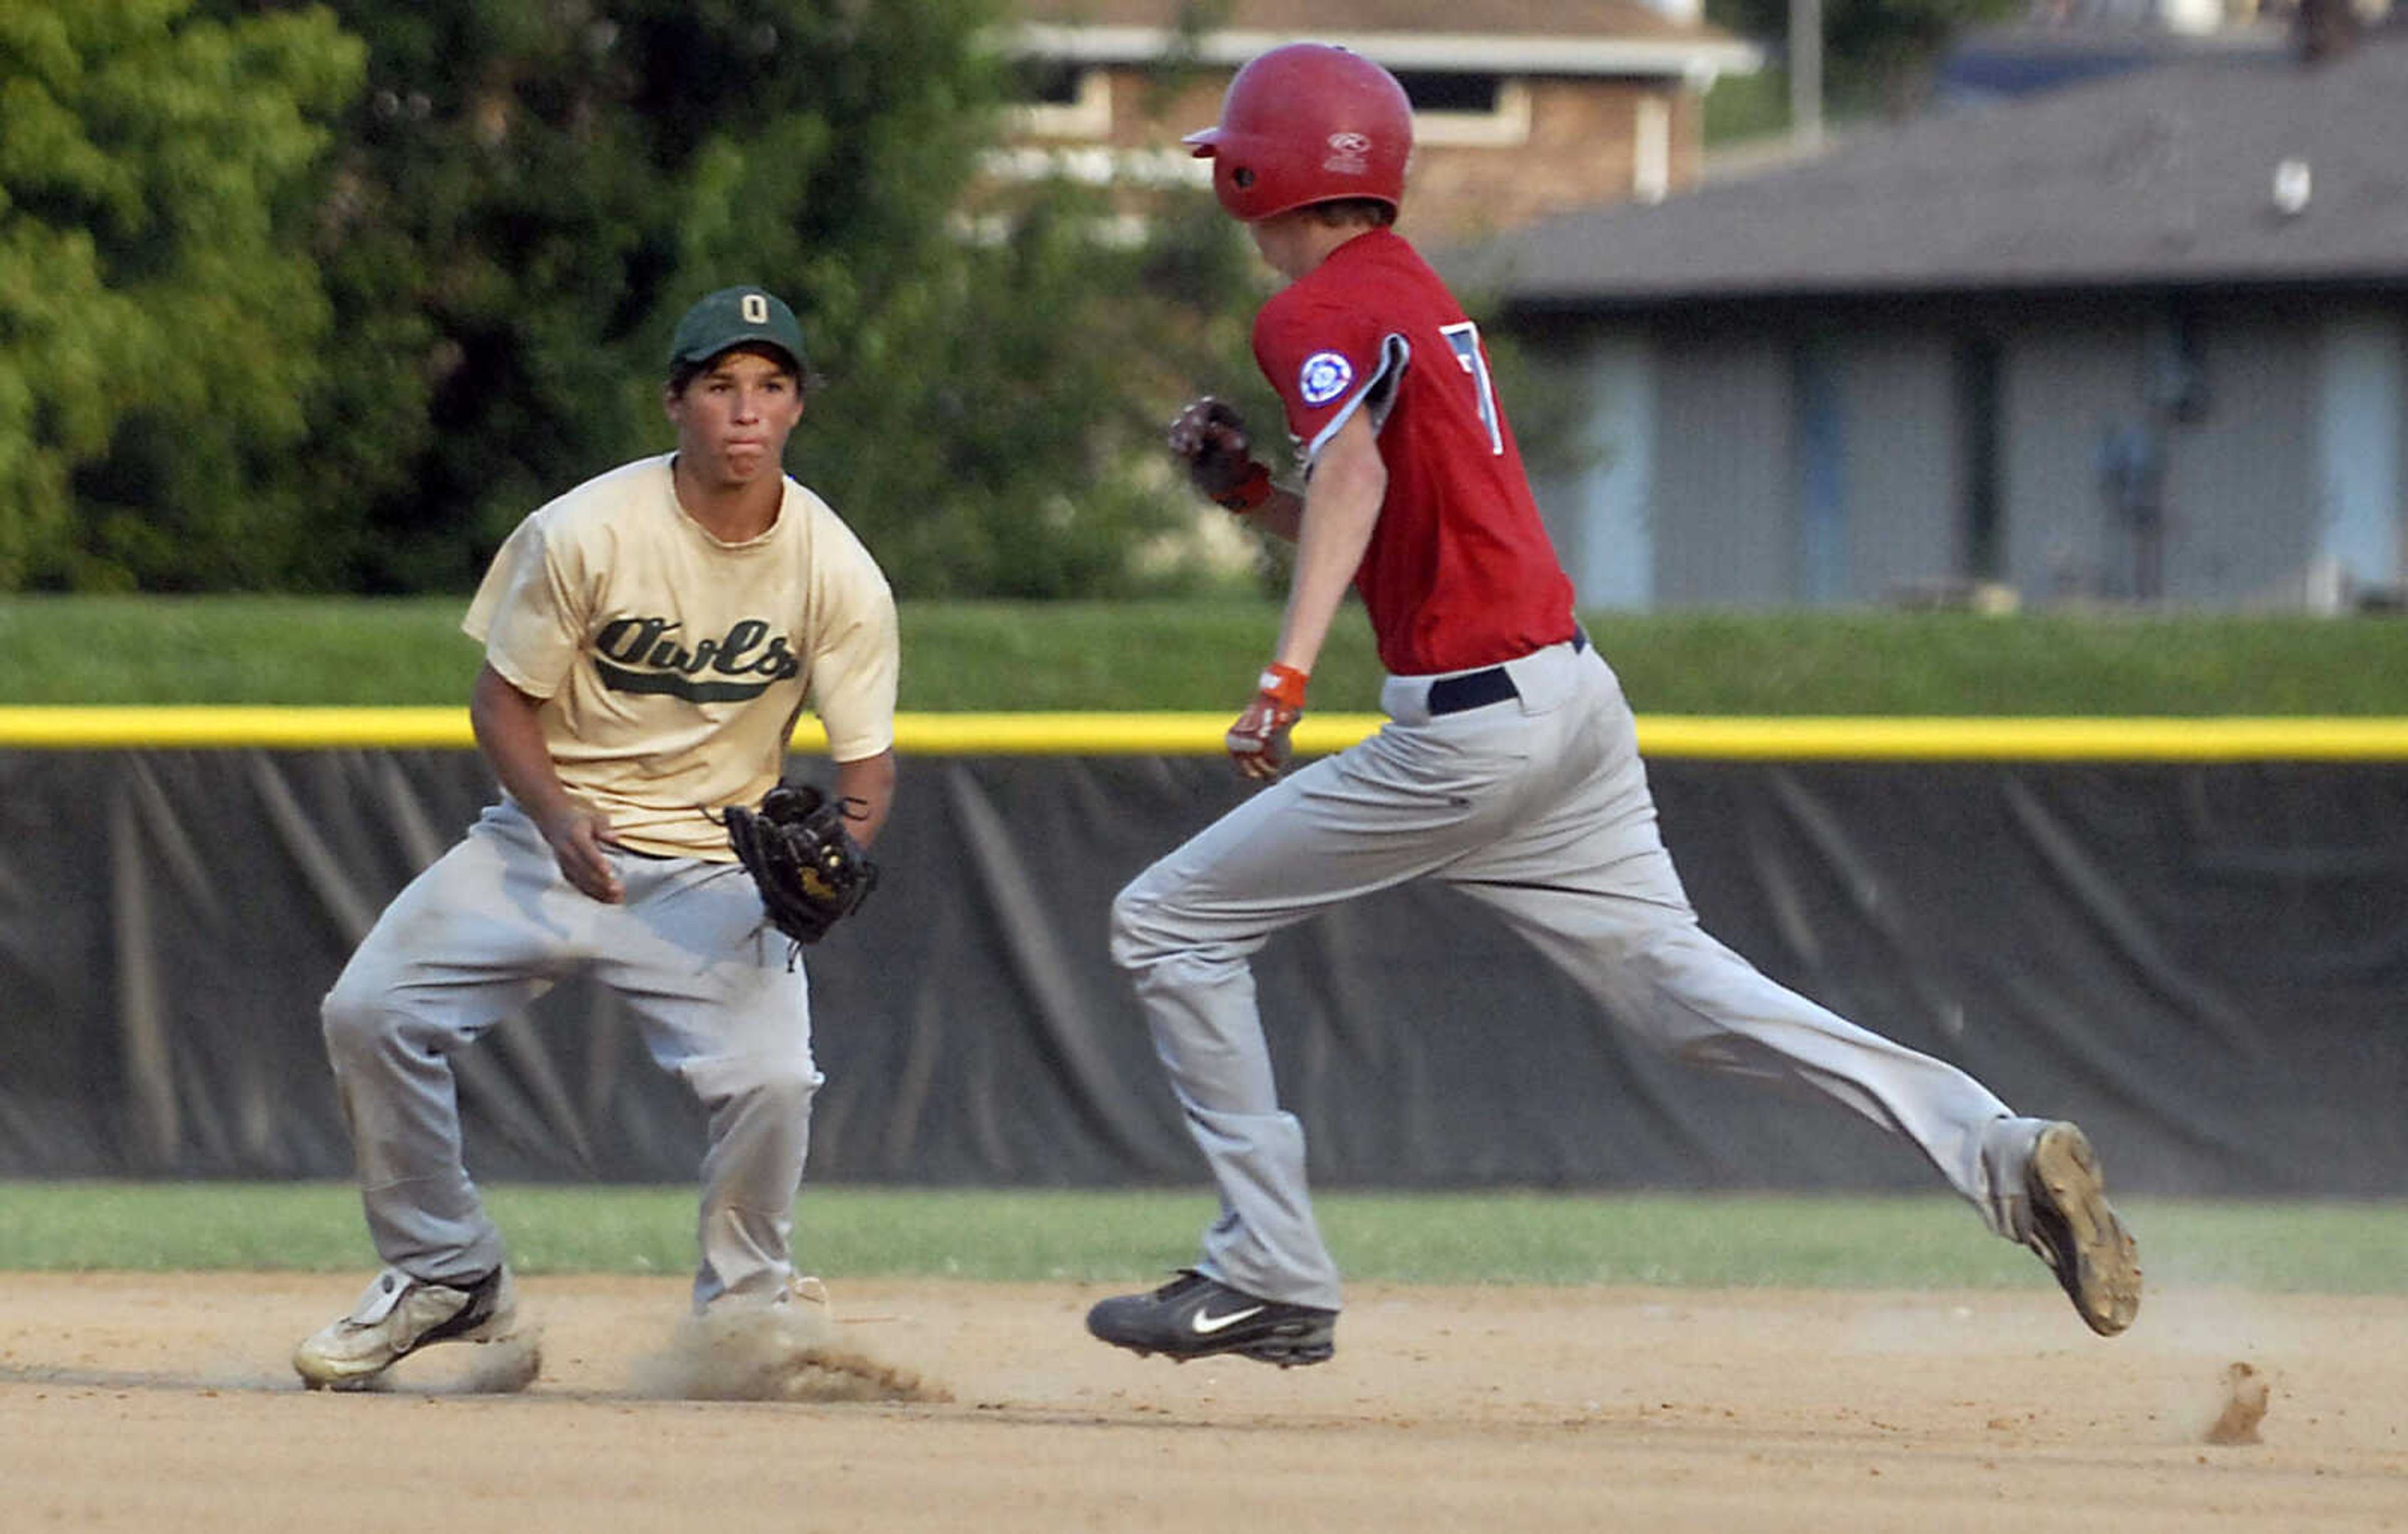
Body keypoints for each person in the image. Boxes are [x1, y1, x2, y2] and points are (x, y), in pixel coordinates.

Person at [1086, 45, 2141, 1369]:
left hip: (1469, 731)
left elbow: (1351, 472)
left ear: (1260, 172)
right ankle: (1994, 1147)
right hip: (1565, 700)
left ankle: (1273, 1271)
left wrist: (1280, 676)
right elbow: (1377, 521)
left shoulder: (1306, 314)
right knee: (1686, 994)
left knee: (1167, 921)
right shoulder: (1413, 295)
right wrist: (1248, 495)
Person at [292, 285, 900, 1390]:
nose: (746, 410)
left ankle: (747, 1312)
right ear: (676, 401)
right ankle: (446, 1272)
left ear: (800, 408)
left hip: (715, 867)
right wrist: (555, 814)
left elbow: (866, 760)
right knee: (371, 1011)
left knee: (771, 1079)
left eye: (771, 386)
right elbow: (499, 700)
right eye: (721, 385)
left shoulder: (837, 568)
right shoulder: (585, 530)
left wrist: (845, 853)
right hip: (543, 845)